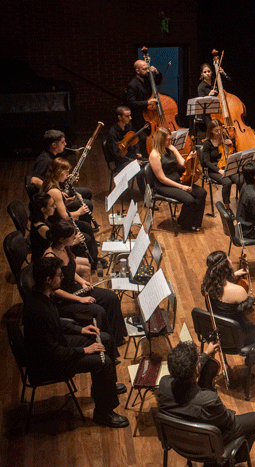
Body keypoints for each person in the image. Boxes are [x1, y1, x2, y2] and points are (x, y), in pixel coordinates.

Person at [23, 256, 128, 428]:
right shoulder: (39, 310)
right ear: (48, 280)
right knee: (104, 362)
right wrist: (85, 351)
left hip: (59, 344)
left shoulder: (43, 295)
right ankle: (103, 413)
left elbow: (58, 324)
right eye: (59, 275)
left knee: (105, 339)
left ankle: (104, 388)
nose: (62, 278)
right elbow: (53, 353)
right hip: (49, 364)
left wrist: (81, 330)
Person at [158, 341, 255, 463]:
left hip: (179, 443)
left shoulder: (164, 384)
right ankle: (231, 460)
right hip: (207, 447)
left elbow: (191, 369)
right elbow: (229, 423)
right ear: (196, 369)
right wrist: (228, 411)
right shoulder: (209, 400)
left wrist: (206, 354)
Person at [44, 220, 127, 350]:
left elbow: (69, 271)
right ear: (61, 239)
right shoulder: (50, 257)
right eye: (71, 236)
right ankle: (106, 345)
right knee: (99, 310)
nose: (74, 238)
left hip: (74, 289)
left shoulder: (65, 247)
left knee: (111, 297)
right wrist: (80, 299)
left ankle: (116, 337)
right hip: (64, 300)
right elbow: (55, 291)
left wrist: (82, 281)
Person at [201, 250, 255, 376]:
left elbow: (221, 283)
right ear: (225, 267)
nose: (230, 261)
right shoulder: (238, 291)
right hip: (239, 338)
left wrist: (234, 275)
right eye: (228, 260)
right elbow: (253, 318)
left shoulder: (207, 286)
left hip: (219, 333)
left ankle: (253, 359)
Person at [42, 157, 101, 268]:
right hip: (58, 226)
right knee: (86, 238)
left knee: (87, 226)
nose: (68, 174)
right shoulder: (54, 191)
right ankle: (91, 262)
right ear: (59, 172)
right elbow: (64, 215)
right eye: (66, 171)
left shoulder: (52, 184)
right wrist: (79, 212)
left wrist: (71, 200)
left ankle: (95, 258)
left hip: (58, 221)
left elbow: (60, 206)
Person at [148, 126, 207, 232]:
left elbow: (183, 164)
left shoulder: (170, 148)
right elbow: (162, 179)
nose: (170, 142)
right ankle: (185, 224)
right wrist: (181, 187)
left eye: (170, 139)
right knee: (189, 200)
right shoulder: (154, 155)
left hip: (177, 180)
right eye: (167, 140)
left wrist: (190, 158)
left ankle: (195, 223)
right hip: (164, 186)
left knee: (202, 192)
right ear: (160, 140)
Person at [30, 130, 93, 207]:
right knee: (88, 205)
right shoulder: (45, 160)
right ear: (54, 145)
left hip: (59, 189)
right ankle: (72, 217)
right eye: (62, 142)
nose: (65, 144)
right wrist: (56, 191)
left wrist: (66, 177)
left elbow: (52, 176)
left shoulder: (53, 155)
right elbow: (34, 180)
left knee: (88, 192)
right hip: (50, 199)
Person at [104, 106, 146, 193]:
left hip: (130, 156)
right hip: (119, 161)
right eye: (127, 116)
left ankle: (151, 192)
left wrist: (137, 152)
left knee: (149, 164)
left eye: (130, 115)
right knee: (140, 172)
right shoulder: (113, 133)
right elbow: (116, 155)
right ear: (119, 117)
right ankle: (145, 196)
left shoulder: (129, 126)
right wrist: (133, 161)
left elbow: (135, 140)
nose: (130, 118)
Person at [124, 59, 162, 156]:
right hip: (139, 118)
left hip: (150, 115)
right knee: (144, 139)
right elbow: (131, 103)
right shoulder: (132, 85)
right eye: (144, 69)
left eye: (147, 68)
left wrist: (156, 73)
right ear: (137, 71)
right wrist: (147, 102)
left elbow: (158, 81)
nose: (147, 71)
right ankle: (145, 158)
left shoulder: (147, 79)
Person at [200, 119, 239, 211]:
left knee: (240, 178)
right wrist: (219, 170)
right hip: (214, 170)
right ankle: (226, 206)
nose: (219, 132)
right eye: (216, 130)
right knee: (227, 182)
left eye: (220, 130)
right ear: (211, 131)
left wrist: (232, 144)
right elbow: (207, 162)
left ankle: (244, 202)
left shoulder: (224, 138)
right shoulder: (207, 144)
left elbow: (232, 155)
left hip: (227, 166)